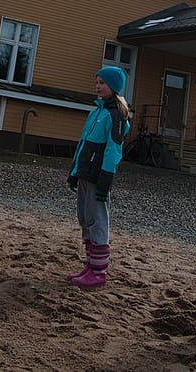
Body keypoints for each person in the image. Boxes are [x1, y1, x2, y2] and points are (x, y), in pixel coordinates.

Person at [65, 65, 131, 290]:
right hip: (85, 174)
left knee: (97, 220)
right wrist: (74, 172)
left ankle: (99, 272)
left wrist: (105, 181)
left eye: (103, 83)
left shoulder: (116, 116)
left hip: (98, 177)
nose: (98, 86)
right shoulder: (97, 113)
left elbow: (113, 151)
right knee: (84, 218)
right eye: (97, 82)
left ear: (113, 87)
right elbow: (84, 145)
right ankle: (90, 265)